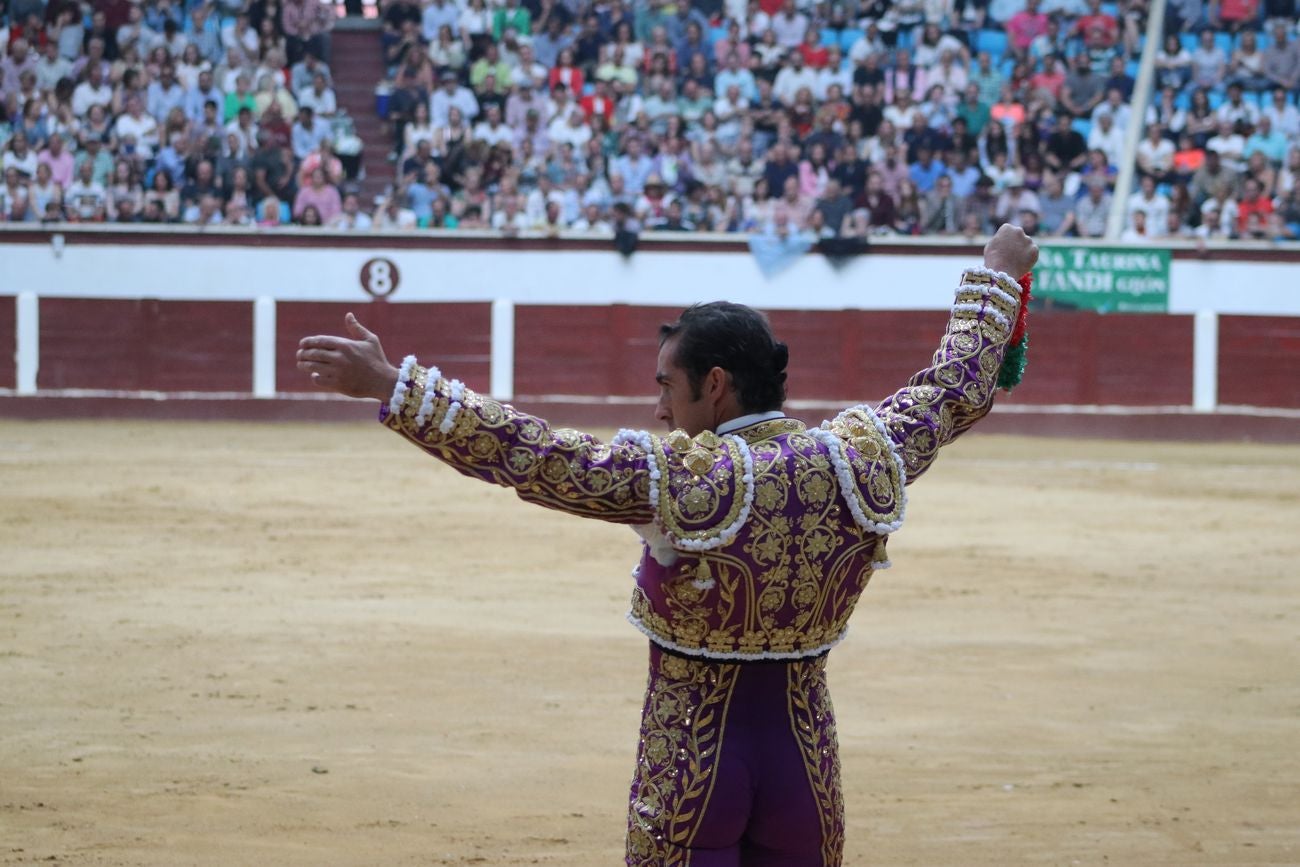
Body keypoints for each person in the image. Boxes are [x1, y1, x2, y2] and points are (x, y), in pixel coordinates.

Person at [296, 225, 1040, 865]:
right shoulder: (857, 457)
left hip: (693, 759)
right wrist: (998, 274)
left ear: (715, 386)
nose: (656, 406)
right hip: (804, 762)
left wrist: (396, 386)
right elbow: (957, 389)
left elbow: (536, 454)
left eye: (666, 385)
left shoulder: (684, 479)